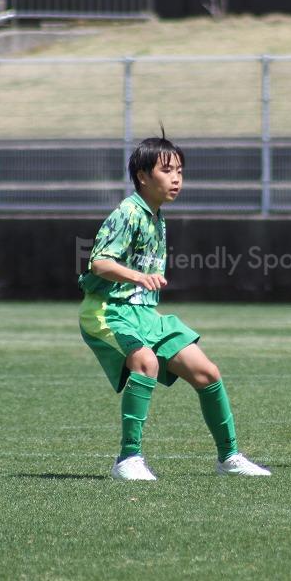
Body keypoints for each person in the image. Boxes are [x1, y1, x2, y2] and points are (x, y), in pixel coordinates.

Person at [78, 135, 270, 480]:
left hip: (145, 315)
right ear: (142, 176)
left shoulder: (156, 216)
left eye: (180, 171)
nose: (177, 178)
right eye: (167, 170)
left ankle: (229, 458)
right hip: (109, 311)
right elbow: (99, 263)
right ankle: (128, 459)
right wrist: (138, 277)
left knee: (207, 372)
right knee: (145, 361)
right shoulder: (128, 213)